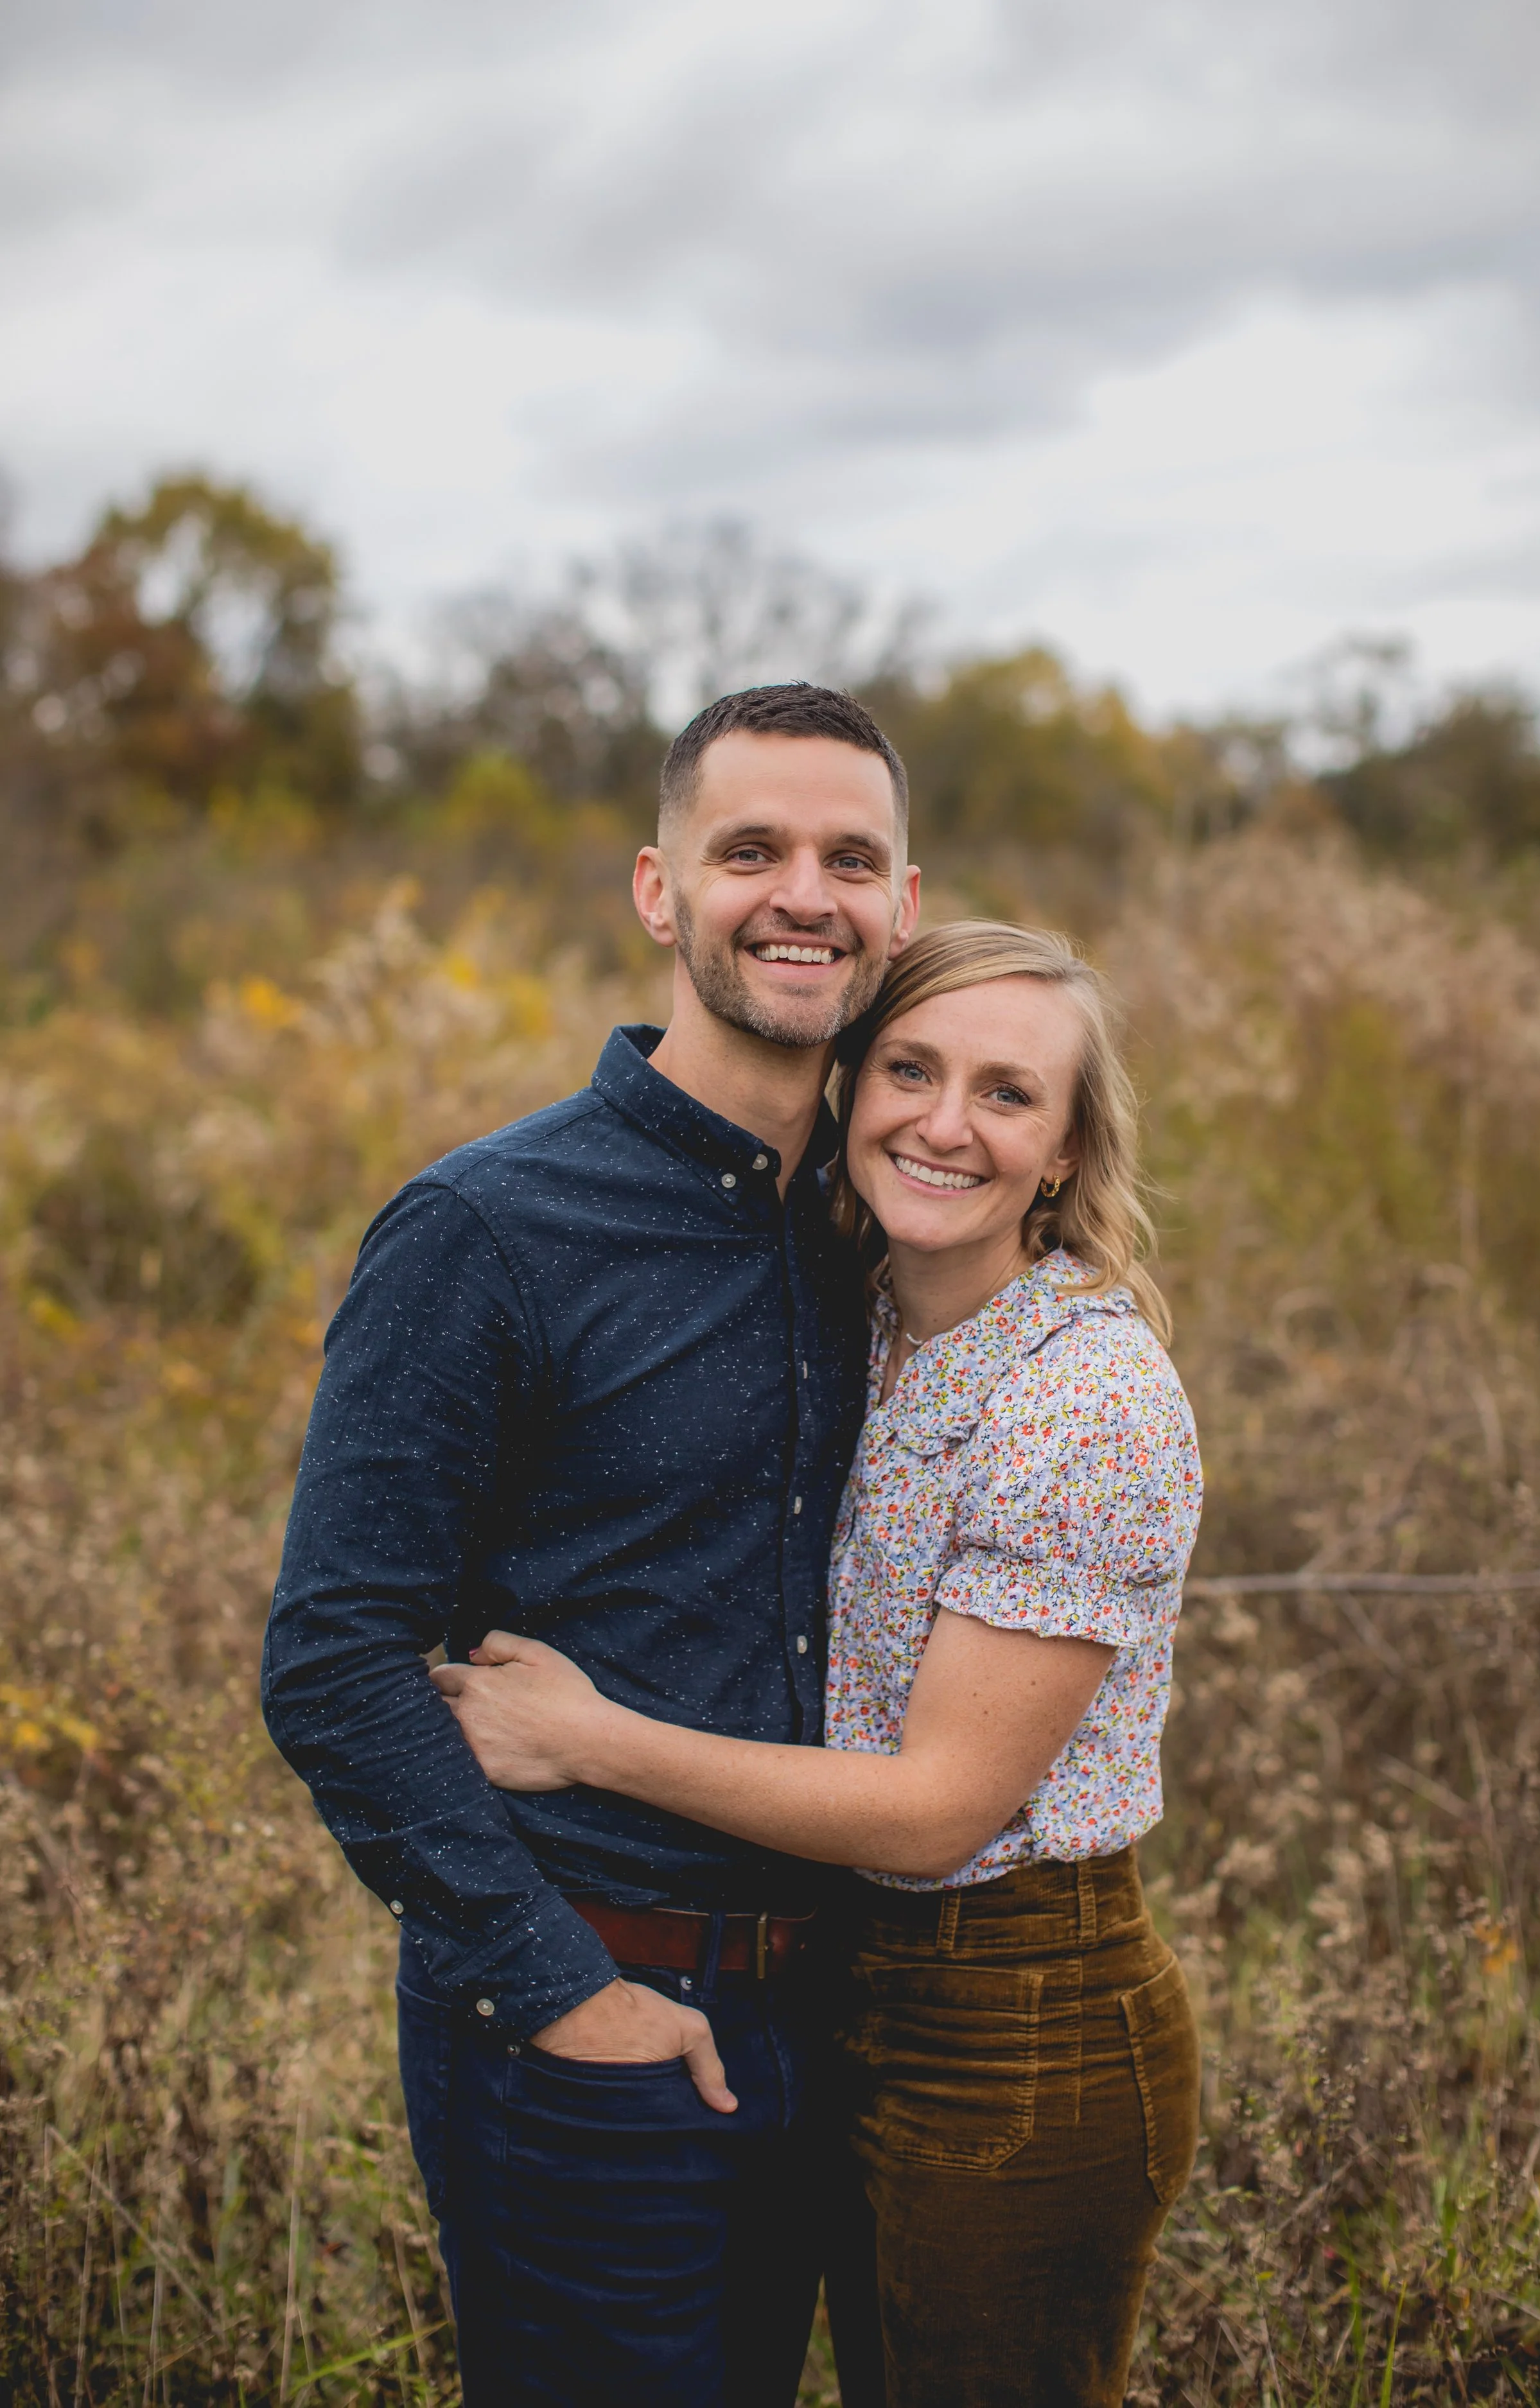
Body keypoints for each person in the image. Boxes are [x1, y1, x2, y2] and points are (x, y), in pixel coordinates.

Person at [435, 919, 1205, 2408]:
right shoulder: (859, 1320)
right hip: (839, 1981)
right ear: (848, 1089)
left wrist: (592, 1740)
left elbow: (931, 1812)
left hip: (1014, 2015)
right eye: (909, 1069)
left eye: (1006, 1095)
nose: (943, 1123)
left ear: (1060, 1152)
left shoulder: (1082, 1396)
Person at [261, 681, 920, 2408]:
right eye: (749, 849)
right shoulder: (487, 1228)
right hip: (589, 2024)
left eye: (850, 856)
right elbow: (335, 1658)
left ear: (902, 904)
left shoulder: (897, 1227)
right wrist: (564, 1992)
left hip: (843, 2016)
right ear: (657, 889)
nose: (803, 893)